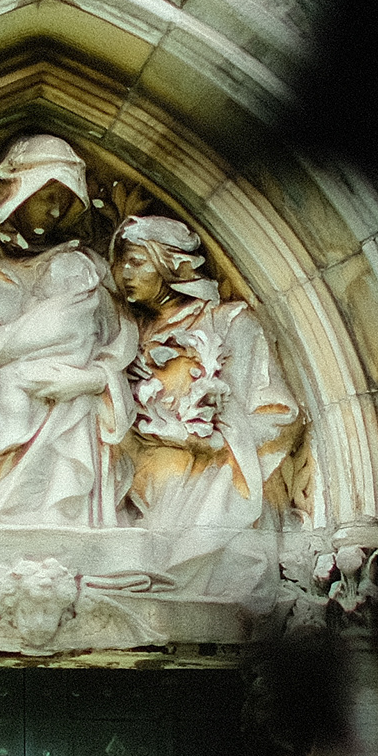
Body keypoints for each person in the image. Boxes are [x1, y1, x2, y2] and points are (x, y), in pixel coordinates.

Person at [0, 134, 132, 527]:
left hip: (77, 399)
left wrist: (88, 378)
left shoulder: (86, 266)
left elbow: (117, 343)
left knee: (73, 400)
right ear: (16, 196)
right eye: (47, 196)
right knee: (14, 385)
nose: (57, 210)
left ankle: (65, 514)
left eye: (65, 199)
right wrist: (40, 334)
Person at [113, 212, 307, 528]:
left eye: (136, 262)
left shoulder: (230, 324)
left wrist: (209, 441)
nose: (124, 273)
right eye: (121, 263)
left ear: (170, 264)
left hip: (205, 492)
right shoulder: (125, 337)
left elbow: (278, 417)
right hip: (132, 485)